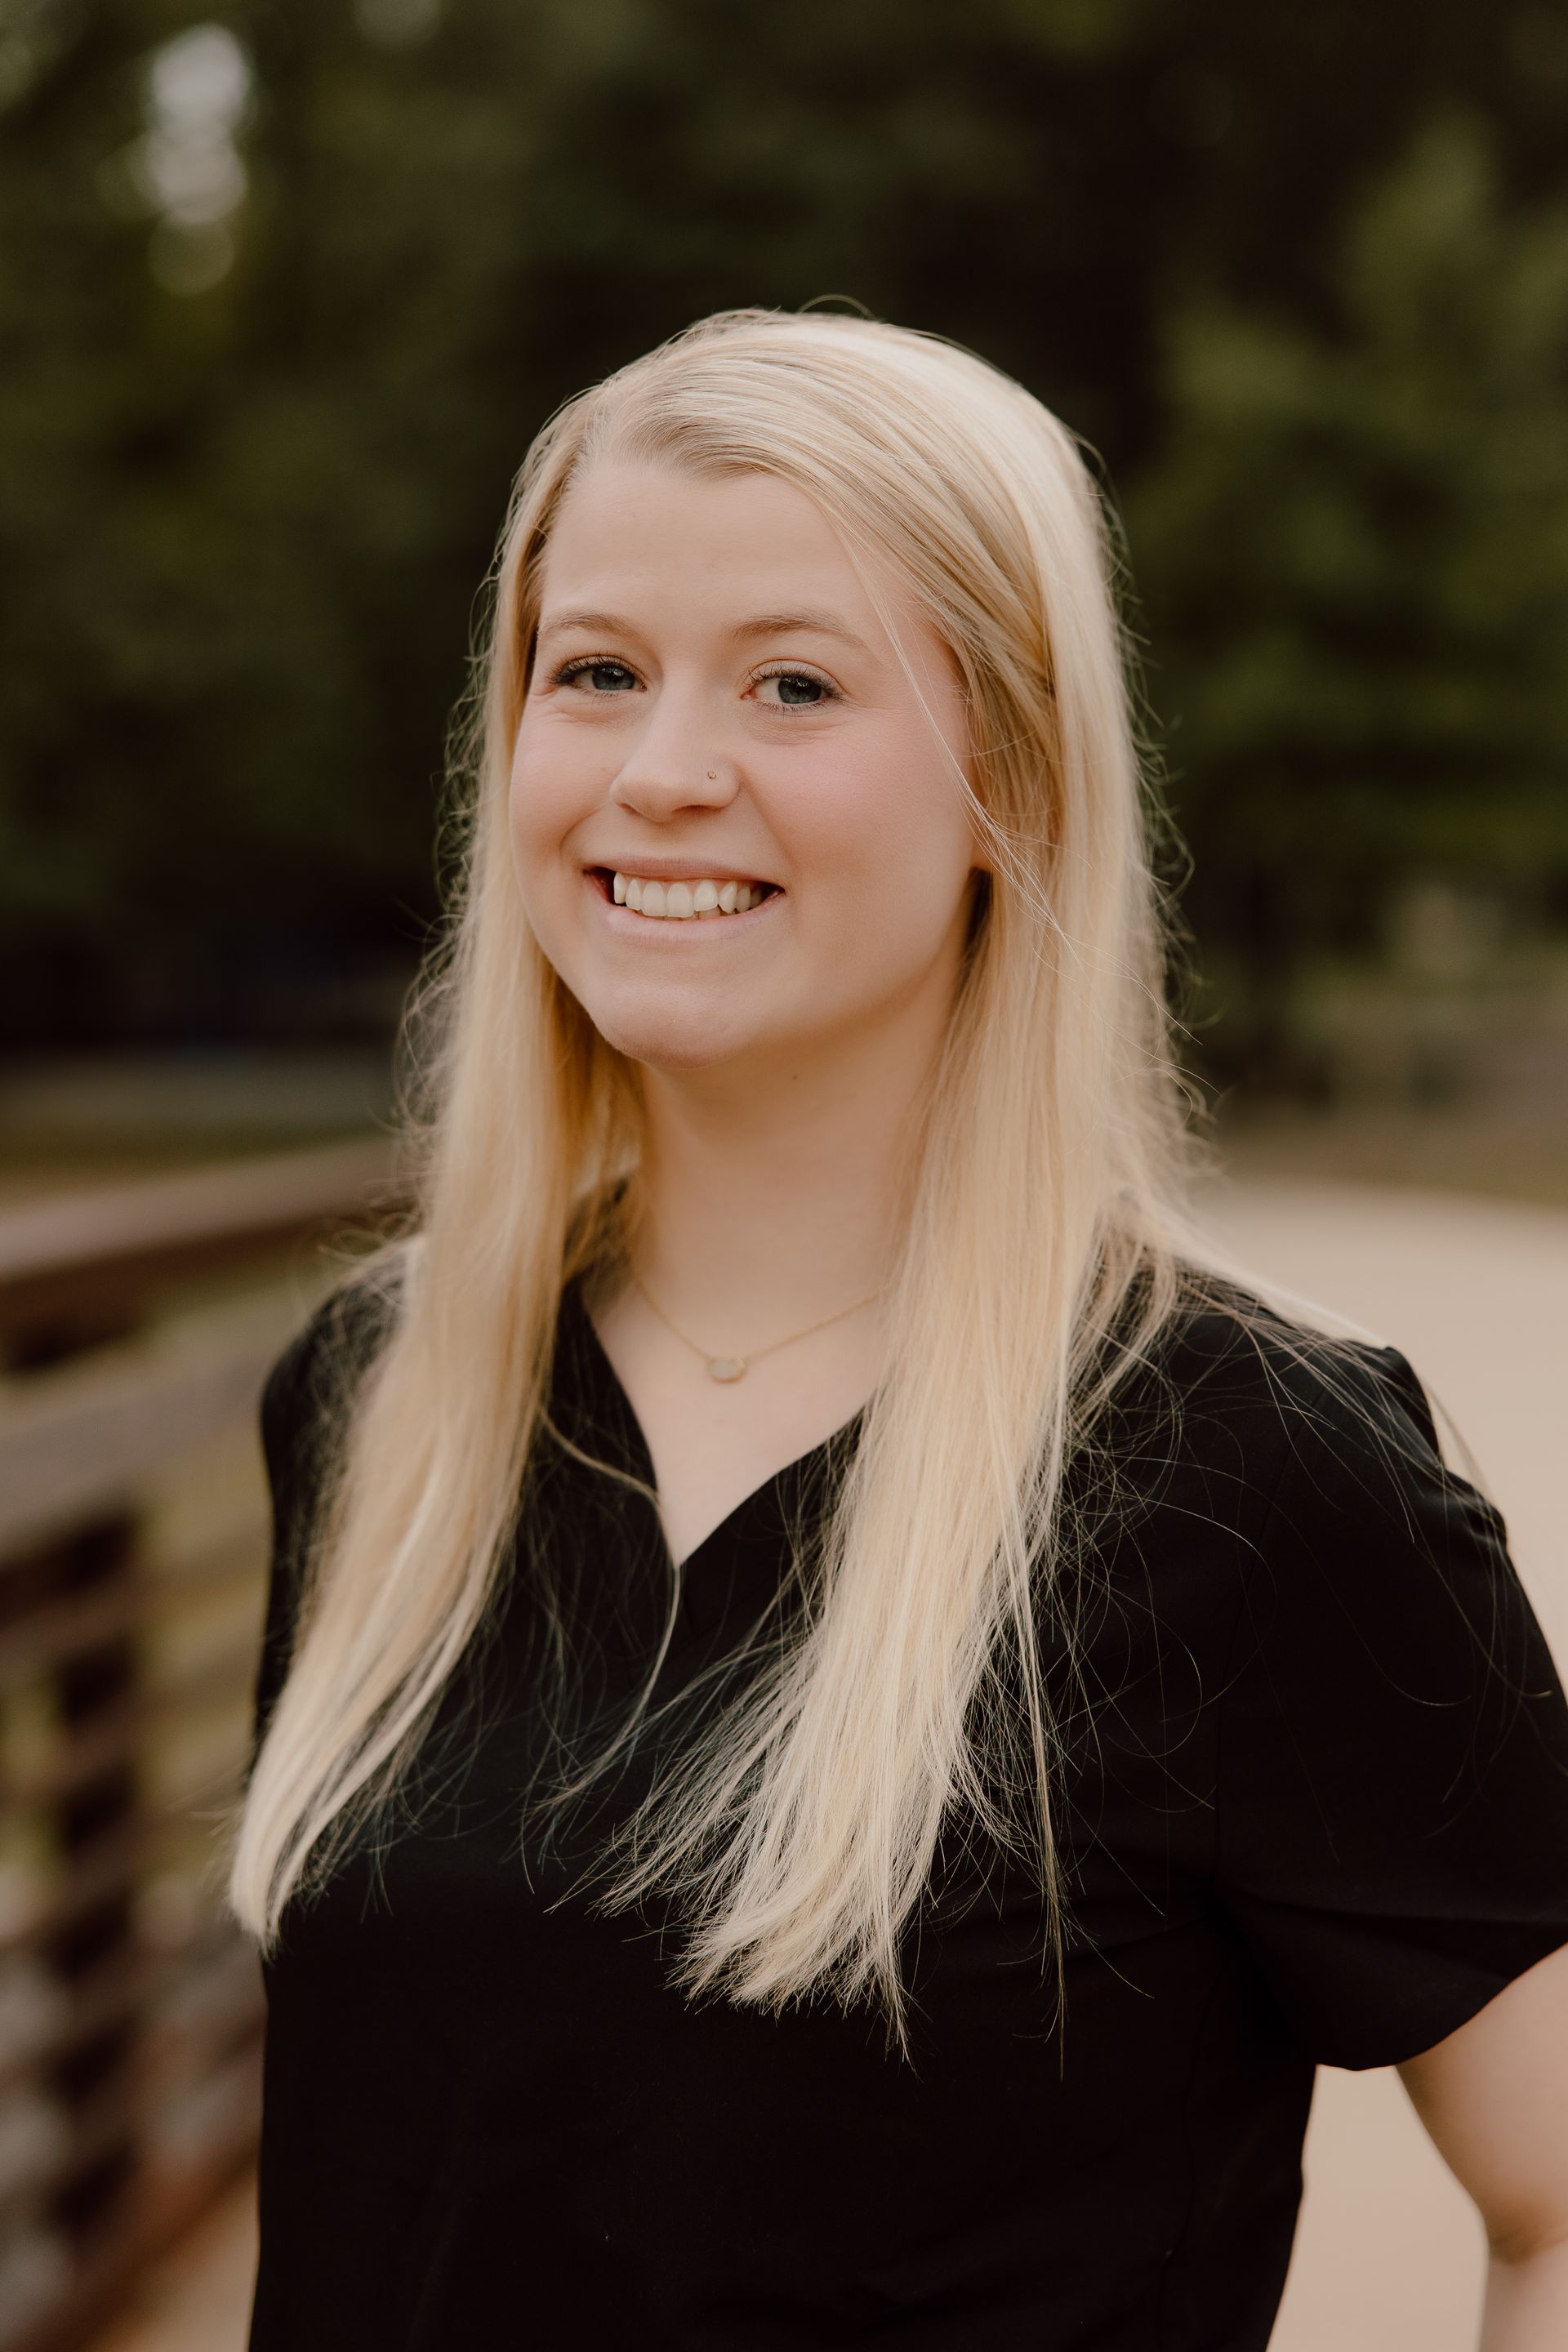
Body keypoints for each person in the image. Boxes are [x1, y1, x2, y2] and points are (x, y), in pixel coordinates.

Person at [228, 309, 1568, 2351]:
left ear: (1011, 780)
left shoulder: (1244, 1465)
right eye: (595, 674)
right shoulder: (381, 1395)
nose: (665, 773)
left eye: (792, 682)